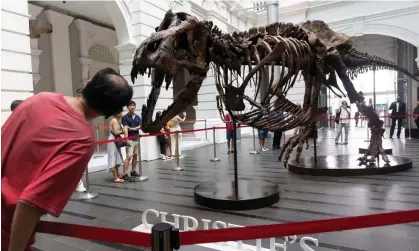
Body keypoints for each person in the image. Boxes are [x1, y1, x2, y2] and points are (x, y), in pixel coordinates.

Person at [1, 67, 133, 251]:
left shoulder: (41, 98)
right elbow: (30, 203)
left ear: (87, 84)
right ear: (110, 111)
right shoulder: (82, 139)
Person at [121, 101, 142, 181]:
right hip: (130, 139)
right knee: (128, 157)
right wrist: (126, 138)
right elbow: (126, 127)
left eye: (133, 105)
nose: (132, 107)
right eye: (130, 105)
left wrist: (132, 128)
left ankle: (133, 171)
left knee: (135, 155)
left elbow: (140, 126)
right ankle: (125, 174)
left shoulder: (138, 117)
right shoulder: (124, 117)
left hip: (137, 139)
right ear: (127, 107)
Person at [107, 112, 126, 183]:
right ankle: (115, 177)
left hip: (116, 140)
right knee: (113, 157)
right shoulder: (114, 120)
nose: (121, 113)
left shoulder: (117, 120)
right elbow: (116, 132)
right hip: (113, 140)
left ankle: (117, 174)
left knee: (117, 157)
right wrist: (124, 130)